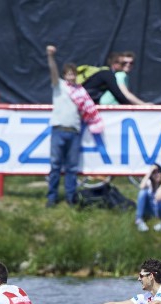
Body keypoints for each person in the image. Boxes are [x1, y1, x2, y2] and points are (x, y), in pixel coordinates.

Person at [46, 45, 101, 208]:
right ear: (64, 76)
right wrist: (50, 57)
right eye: (68, 74)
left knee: (71, 168)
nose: (71, 77)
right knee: (55, 166)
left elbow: (88, 109)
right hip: (58, 130)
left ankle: (71, 197)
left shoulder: (80, 92)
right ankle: (52, 197)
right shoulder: (59, 86)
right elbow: (53, 72)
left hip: (74, 131)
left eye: (73, 74)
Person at [135, 164, 161, 231]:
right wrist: (149, 172)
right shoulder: (150, 182)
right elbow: (141, 186)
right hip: (151, 210)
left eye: (158, 172)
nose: (156, 175)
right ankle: (139, 220)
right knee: (143, 192)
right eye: (154, 173)